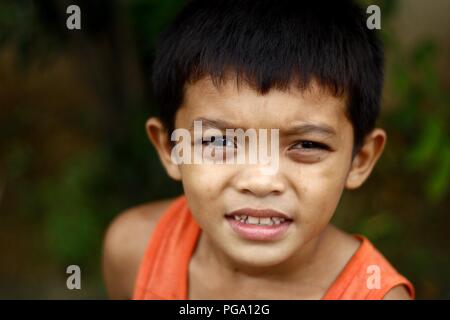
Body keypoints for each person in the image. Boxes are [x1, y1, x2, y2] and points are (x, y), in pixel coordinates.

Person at [102, 0, 415, 300]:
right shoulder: (135, 250)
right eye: (219, 142)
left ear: (360, 160)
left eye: (307, 145)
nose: (261, 181)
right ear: (170, 148)